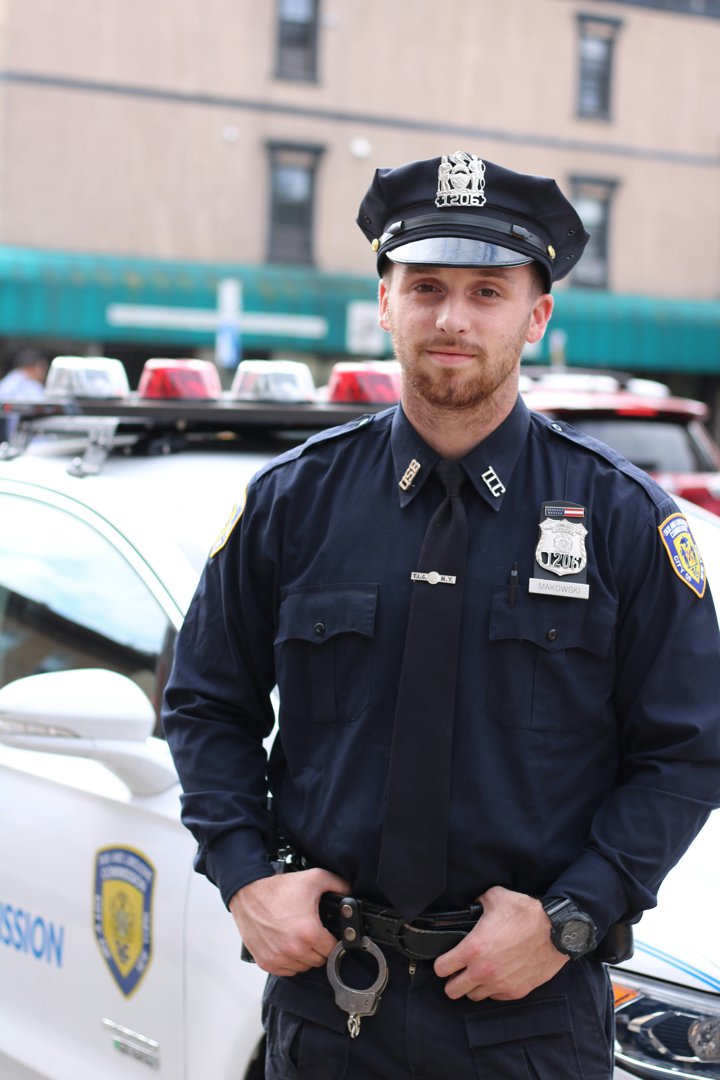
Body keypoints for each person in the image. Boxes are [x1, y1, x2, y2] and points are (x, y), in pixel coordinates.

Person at [162, 152, 720, 1079]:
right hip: (330, 1002)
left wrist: (573, 916)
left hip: (529, 1017)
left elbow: (688, 749)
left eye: (487, 292)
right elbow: (205, 705)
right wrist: (243, 877)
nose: (452, 319)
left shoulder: (623, 521)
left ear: (537, 317)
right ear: (385, 303)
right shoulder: (292, 505)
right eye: (426, 287)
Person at [0, 349, 48, 442]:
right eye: (43, 369)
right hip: (22, 441)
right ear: (37, 367)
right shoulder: (31, 386)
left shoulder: (6, 382)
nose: (43, 374)